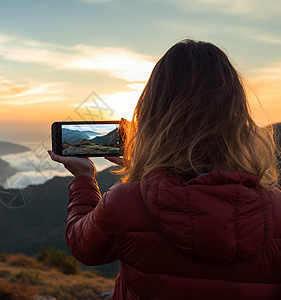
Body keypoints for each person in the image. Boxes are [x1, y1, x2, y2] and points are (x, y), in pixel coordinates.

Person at [48, 39, 281, 299]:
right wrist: (148, 171)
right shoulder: (276, 207)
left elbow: (85, 248)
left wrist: (84, 178)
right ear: (236, 113)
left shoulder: (127, 202)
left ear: (152, 112)